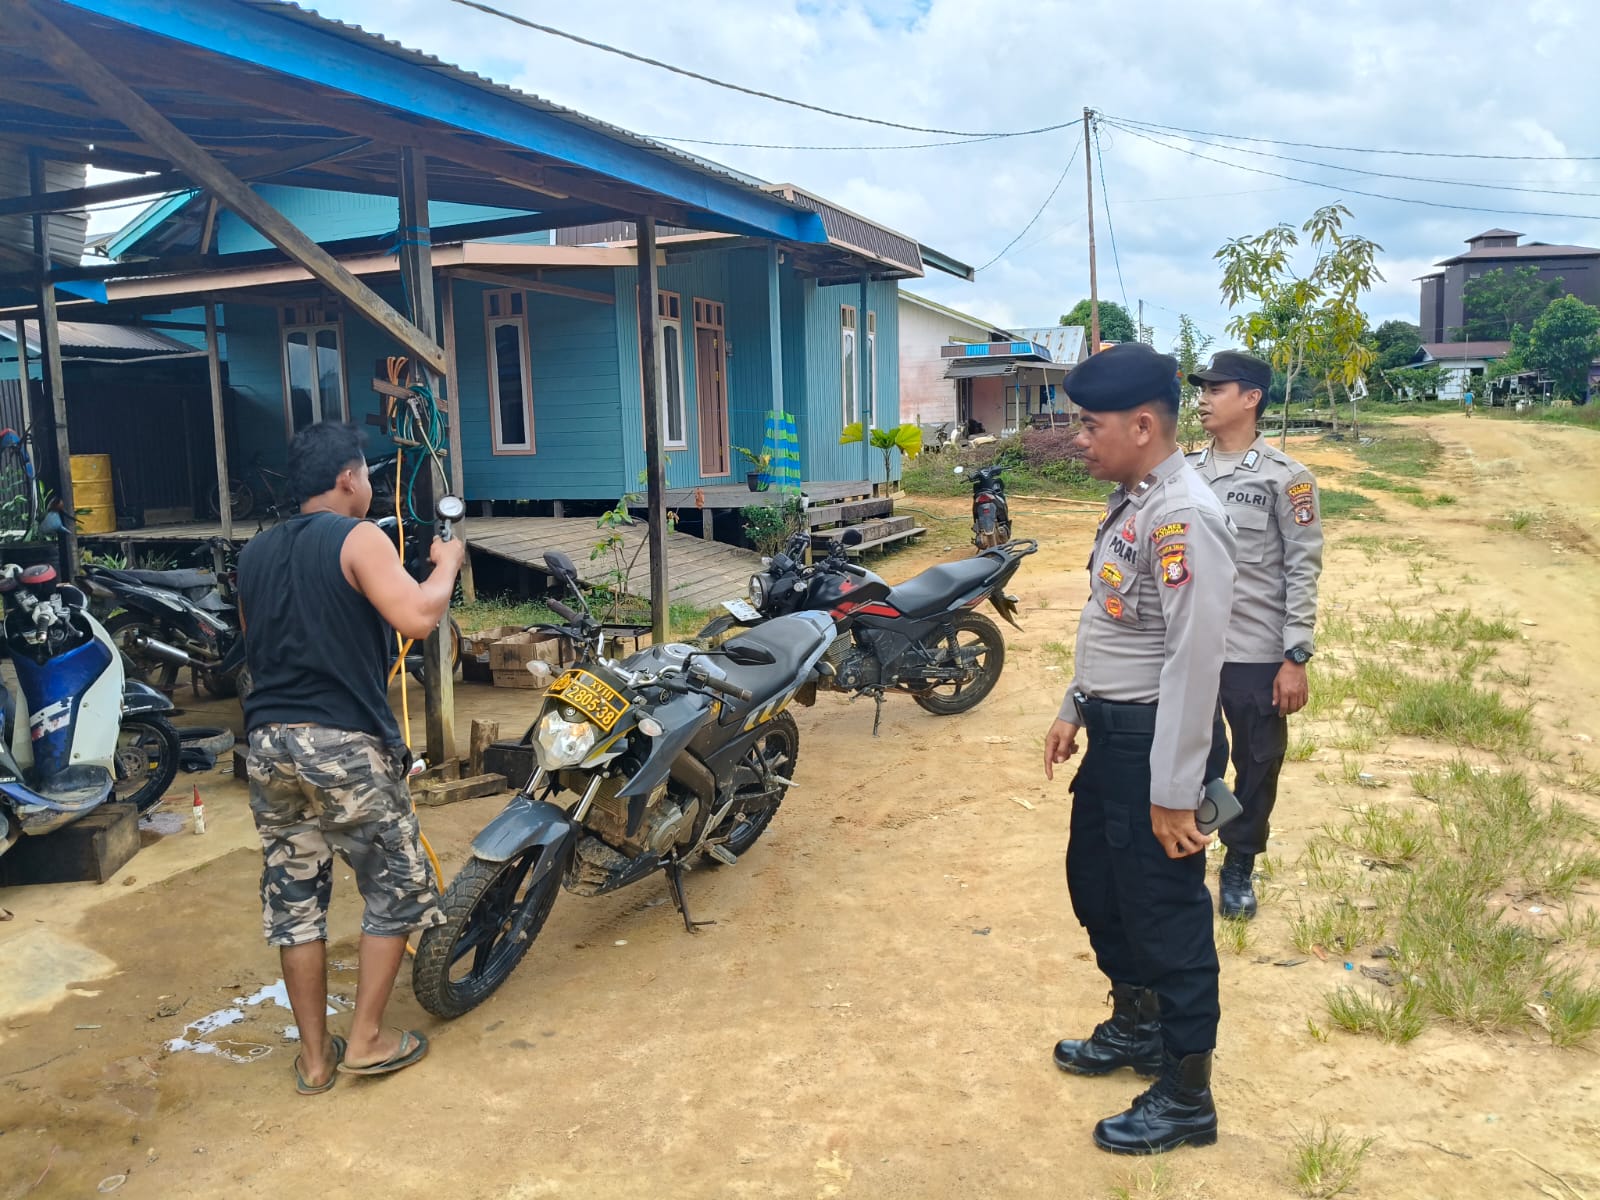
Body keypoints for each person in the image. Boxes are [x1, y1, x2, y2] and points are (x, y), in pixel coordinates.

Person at [1044, 342, 1236, 1155]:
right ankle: (1137, 1026)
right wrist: (1073, 705)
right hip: (1117, 739)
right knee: (1100, 888)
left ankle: (1188, 1094)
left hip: (1160, 747)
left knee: (1166, 916)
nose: (1077, 439)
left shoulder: (1182, 513)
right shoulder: (1137, 500)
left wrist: (1173, 787)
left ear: (1144, 424)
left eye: (1089, 425)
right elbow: (1117, 628)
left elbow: (1194, 661)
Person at [237, 422, 465, 1095]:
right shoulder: (359, 537)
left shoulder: (254, 555)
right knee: (396, 886)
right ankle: (365, 1039)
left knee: (296, 900)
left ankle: (315, 1059)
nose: (370, 488)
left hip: (269, 747)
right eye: (367, 476)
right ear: (346, 479)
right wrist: (446, 564)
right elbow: (419, 618)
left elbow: (259, 647)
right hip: (341, 744)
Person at [1188, 351, 1324, 920]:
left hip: (1255, 652)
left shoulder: (1286, 478)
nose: (1202, 398)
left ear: (1250, 398)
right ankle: (1189, 851)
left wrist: (1295, 655)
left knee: (1258, 761)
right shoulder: (1184, 473)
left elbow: (1302, 566)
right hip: (1195, 649)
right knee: (1193, 757)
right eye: (1201, 389)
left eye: (1215, 389)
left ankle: (1240, 863)